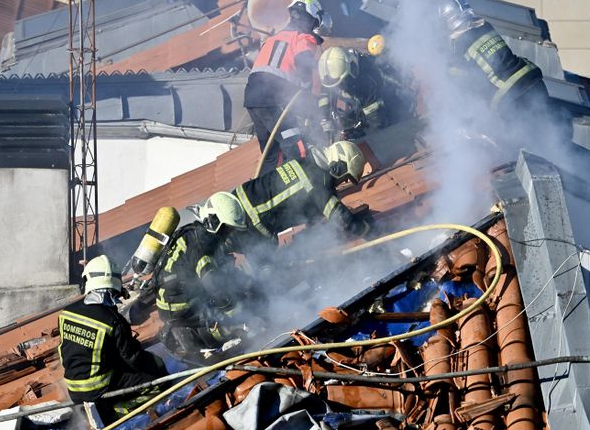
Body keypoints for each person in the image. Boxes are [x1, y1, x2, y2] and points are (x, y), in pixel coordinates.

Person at [154, 193, 261, 364]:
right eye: (227, 229)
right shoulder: (202, 246)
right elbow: (213, 284)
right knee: (232, 322)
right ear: (214, 221)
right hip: (181, 308)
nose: (228, 234)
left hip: (181, 296)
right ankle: (193, 337)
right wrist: (236, 313)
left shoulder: (196, 232)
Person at [59, 256, 168, 423]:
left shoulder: (67, 312)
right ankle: (118, 412)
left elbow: (66, 348)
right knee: (158, 379)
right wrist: (155, 363)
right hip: (98, 389)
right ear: (114, 288)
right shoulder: (113, 321)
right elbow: (133, 359)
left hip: (73, 388)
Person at [244, 0, 328, 172]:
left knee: (272, 155)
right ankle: (302, 186)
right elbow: (304, 65)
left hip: (252, 97)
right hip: (272, 97)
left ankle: (267, 187)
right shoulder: (302, 37)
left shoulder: (273, 38)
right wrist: (312, 99)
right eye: (315, 22)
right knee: (297, 147)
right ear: (311, 18)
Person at [226, 140, 372, 243]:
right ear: (337, 167)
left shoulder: (305, 161)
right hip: (251, 223)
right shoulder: (317, 180)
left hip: (233, 202)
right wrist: (367, 230)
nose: (343, 183)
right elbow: (341, 217)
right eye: (346, 178)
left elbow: (300, 201)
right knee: (273, 274)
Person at [438, 0, 549, 115]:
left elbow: (461, 81)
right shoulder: (486, 26)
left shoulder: (458, 46)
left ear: (448, 22)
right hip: (530, 76)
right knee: (547, 121)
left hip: (508, 93)